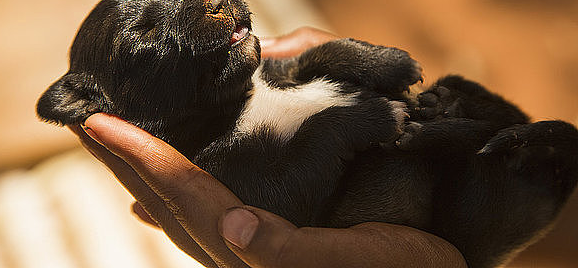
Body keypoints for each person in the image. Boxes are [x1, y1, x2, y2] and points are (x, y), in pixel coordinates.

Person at [71, 27, 468, 268]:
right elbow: (287, 197)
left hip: (455, 168)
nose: (211, 2)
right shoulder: (214, 161)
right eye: (152, 36)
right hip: (411, 200)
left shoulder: (256, 71)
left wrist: (353, 59)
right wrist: (335, 130)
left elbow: (304, 67)